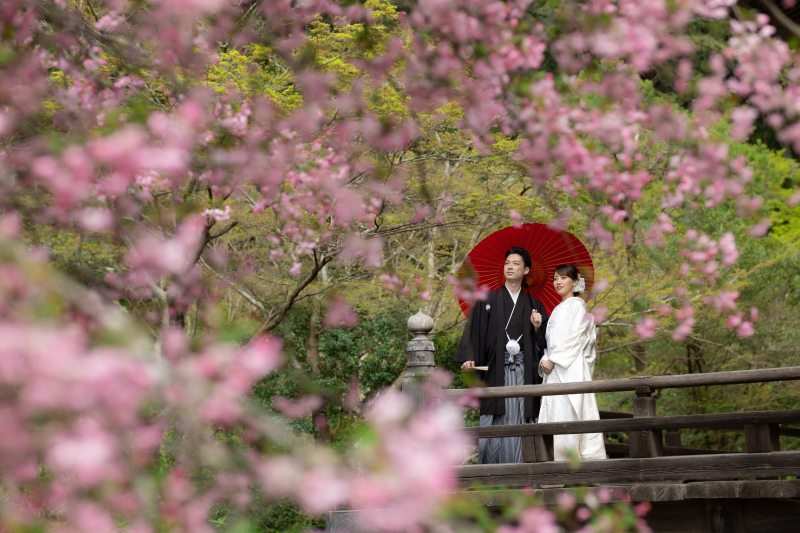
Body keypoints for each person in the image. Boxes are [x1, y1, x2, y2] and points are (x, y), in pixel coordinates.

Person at [455, 246, 549, 464]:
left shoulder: (535, 305)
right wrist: (470, 357)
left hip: (524, 371)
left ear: (526, 270)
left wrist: (537, 327)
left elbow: (544, 344)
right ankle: (492, 473)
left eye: (516, 263)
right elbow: (475, 332)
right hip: (495, 368)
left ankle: (526, 469)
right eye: (507, 262)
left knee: (523, 415)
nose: (510, 266)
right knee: (496, 415)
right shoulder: (487, 300)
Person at [538, 263, 606, 461]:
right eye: (555, 278)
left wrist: (554, 358)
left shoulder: (577, 306)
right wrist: (546, 357)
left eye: (563, 278)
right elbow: (550, 343)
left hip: (570, 367)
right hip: (555, 370)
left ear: (575, 282)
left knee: (570, 415)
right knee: (557, 416)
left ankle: (574, 467)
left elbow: (576, 337)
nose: (558, 282)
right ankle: (561, 466)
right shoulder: (557, 310)